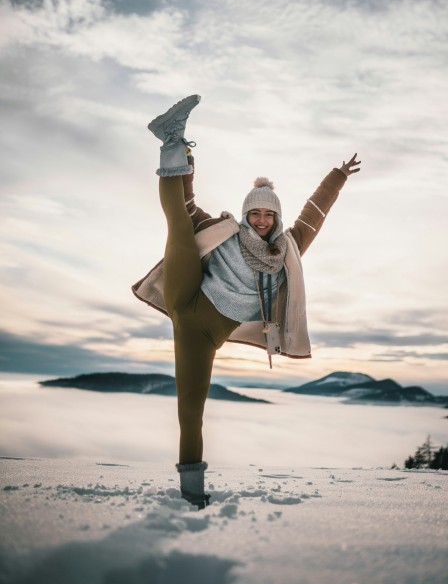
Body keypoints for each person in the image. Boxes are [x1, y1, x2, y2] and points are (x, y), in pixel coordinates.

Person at [132, 95, 360, 508]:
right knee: (180, 225)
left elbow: (314, 215)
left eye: (267, 215)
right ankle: (172, 139)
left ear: (275, 219)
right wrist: (187, 159)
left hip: (202, 334)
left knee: (191, 408)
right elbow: (186, 199)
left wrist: (337, 177)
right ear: (245, 213)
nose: (260, 220)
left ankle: (191, 491)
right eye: (254, 213)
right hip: (188, 293)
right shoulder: (223, 231)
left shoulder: (286, 251)